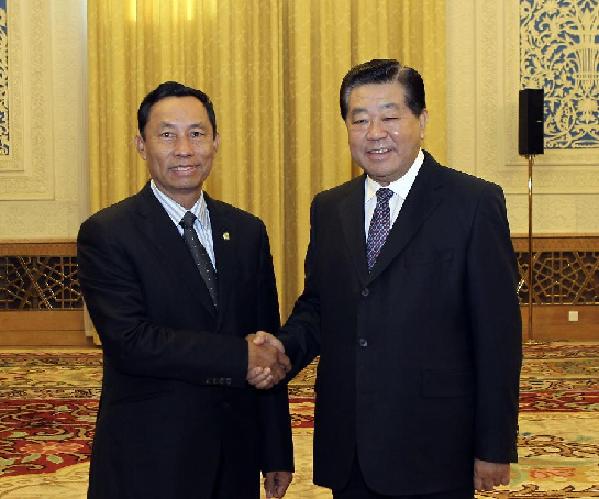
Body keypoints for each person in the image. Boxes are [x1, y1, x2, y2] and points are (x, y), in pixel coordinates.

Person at [254, 59, 522, 498]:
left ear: (422, 121)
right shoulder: (329, 207)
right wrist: (283, 350)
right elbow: (320, 307)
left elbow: (498, 336)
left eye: (390, 117)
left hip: (435, 447)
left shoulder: (472, 204)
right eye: (360, 120)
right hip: (350, 444)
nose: (375, 132)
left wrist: (493, 445)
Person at [78, 81, 293, 499]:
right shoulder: (108, 233)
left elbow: (265, 336)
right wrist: (239, 356)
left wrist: (276, 450)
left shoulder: (247, 230)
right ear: (141, 145)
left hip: (234, 455)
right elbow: (130, 341)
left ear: (215, 142)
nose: (183, 148)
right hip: (151, 456)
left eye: (196, 133)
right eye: (166, 134)